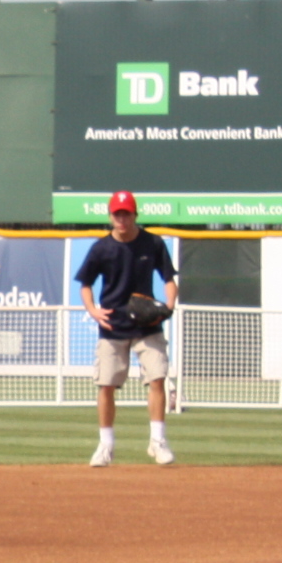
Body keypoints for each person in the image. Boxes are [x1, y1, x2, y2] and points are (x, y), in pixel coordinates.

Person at [72, 190, 178, 467]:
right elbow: (85, 283)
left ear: (135, 215)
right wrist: (93, 311)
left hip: (147, 324)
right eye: (117, 214)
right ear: (110, 216)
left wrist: (168, 304)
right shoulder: (102, 248)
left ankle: (158, 442)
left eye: (126, 213)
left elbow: (169, 277)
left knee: (157, 378)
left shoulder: (152, 243)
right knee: (106, 385)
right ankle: (105, 446)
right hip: (113, 325)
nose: (122, 218)